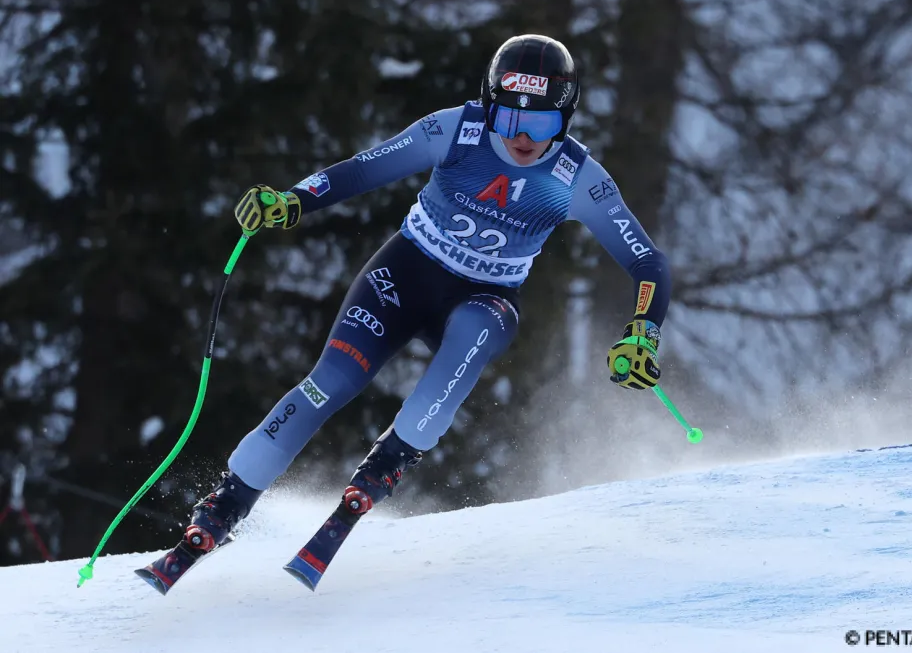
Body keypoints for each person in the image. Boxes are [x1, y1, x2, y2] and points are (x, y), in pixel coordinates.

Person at [181, 33, 672, 553]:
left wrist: (643, 329)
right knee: (328, 384)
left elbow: (647, 261)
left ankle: (385, 466)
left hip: (487, 299)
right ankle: (226, 502)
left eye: (541, 123)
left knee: (464, 343)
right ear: (488, 106)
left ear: (566, 117)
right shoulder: (456, 130)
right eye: (507, 118)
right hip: (404, 274)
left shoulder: (578, 179)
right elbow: (365, 169)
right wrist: (293, 201)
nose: (523, 137)